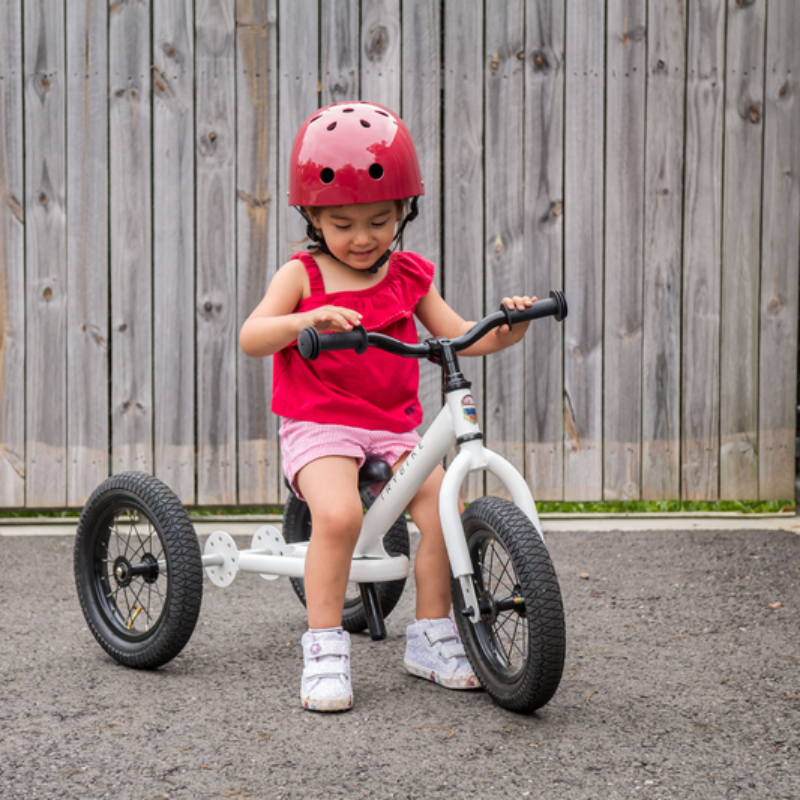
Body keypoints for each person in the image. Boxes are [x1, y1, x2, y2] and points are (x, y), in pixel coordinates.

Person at [240, 101, 535, 712]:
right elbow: (251, 337)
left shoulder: (408, 276)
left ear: (405, 211)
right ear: (313, 216)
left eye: (380, 219)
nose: (362, 237)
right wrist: (304, 319)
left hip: (393, 428)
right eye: (342, 223)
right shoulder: (302, 276)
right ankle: (323, 647)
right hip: (320, 425)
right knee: (342, 516)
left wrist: (509, 327)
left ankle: (430, 635)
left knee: (443, 510)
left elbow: (462, 334)